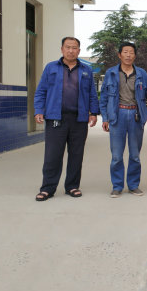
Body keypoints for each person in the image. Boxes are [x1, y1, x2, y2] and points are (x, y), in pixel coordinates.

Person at [34, 37, 99, 201]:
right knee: (52, 155)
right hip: (56, 118)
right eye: (68, 47)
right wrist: (39, 110)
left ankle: (72, 186)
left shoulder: (86, 70)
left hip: (79, 119)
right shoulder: (51, 67)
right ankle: (47, 188)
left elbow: (92, 93)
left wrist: (93, 112)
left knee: (76, 154)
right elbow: (41, 91)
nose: (71, 50)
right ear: (62, 49)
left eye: (74, 47)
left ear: (79, 50)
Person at [100, 42, 147, 198]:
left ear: (135, 56)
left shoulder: (142, 74)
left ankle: (133, 185)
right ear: (119, 55)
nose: (128, 55)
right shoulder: (111, 73)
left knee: (134, 155)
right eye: (125, 52)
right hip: (117, 115)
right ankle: (117, 186)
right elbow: (104, 97)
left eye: (131, 52)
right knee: (116, 156)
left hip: (135, 115)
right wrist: (105, 118)